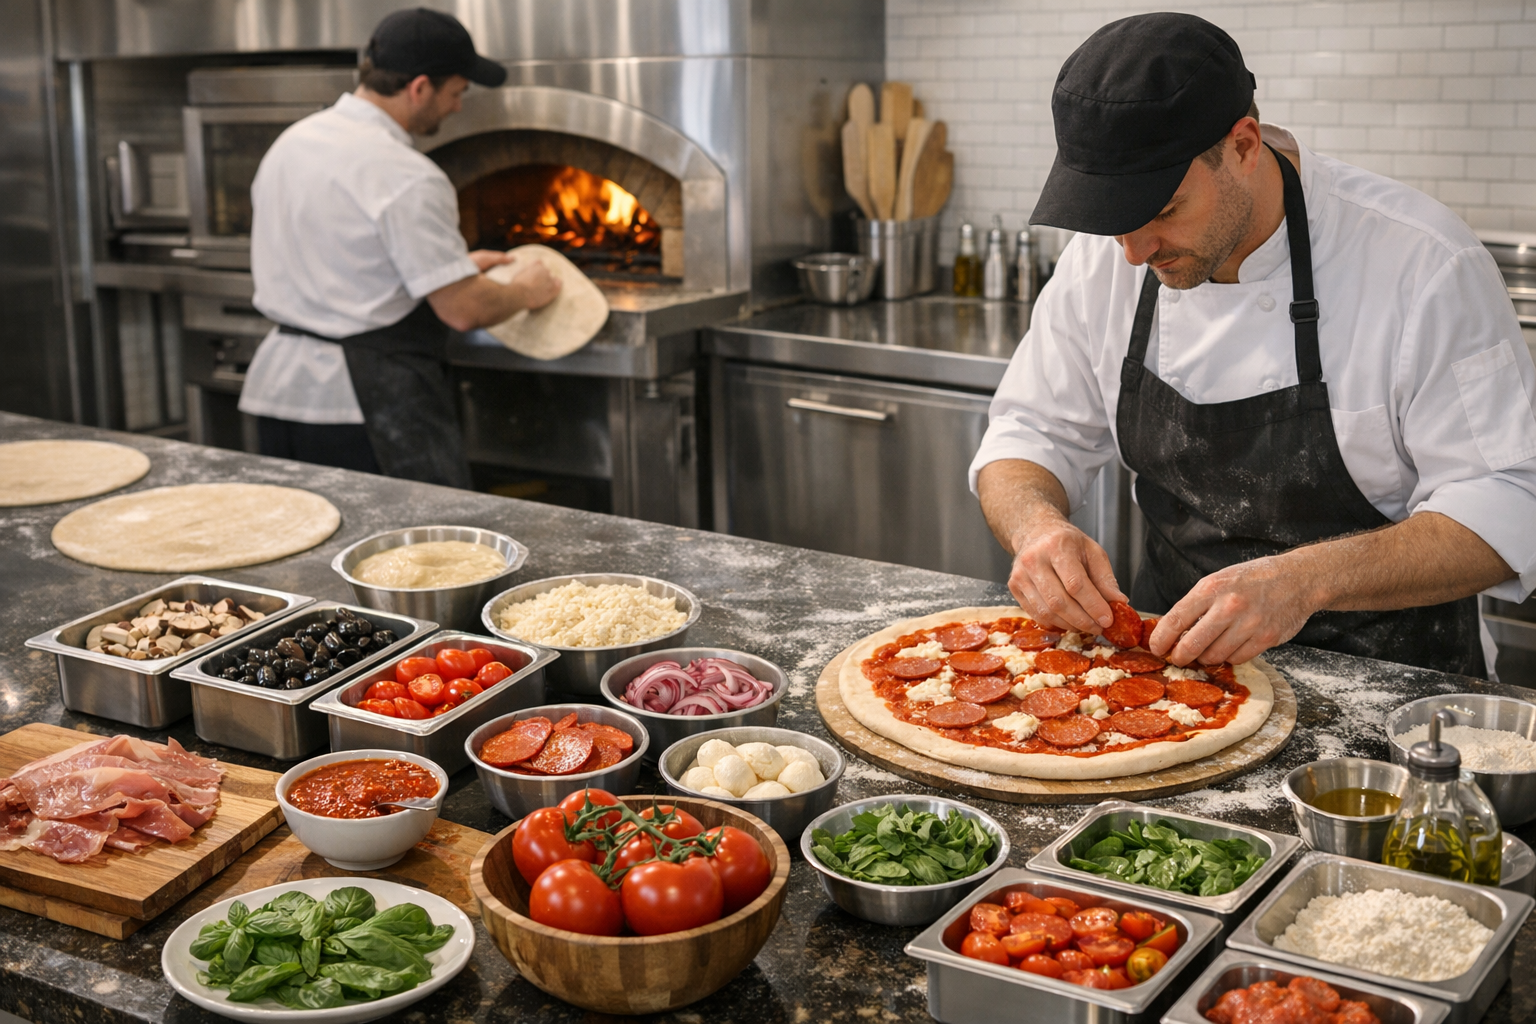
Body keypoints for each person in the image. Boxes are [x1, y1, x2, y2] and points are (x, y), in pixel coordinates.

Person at [973, 13, 1536, 678]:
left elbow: (1510, 504)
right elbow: (1029, 432)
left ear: (1243, 145)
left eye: (1163, 211)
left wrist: (1303, 581)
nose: (1132, 253)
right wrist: (1037, 527)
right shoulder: (1106, 258)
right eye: (1115, 221)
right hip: (1173, 678)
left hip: (1393, 688)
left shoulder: (1422, 264)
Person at [239, 7, 560, 487]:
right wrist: (527, 291)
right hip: (362, 410)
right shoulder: (405, 173)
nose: (457, 108)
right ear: (419, 88)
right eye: (457, 93)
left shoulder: (292, 144)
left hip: (279, 396)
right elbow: (464, 310)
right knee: (405, 557)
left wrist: (448, 267)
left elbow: (343, 258)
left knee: (306, 551)